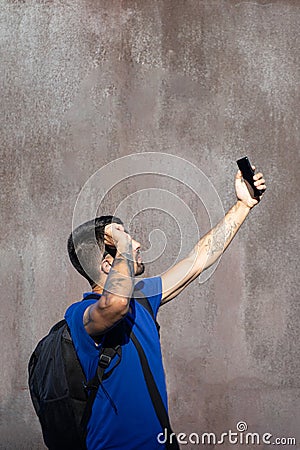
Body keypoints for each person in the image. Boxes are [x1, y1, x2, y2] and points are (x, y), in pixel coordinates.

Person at [66, 167, 266, 450]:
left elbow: (199, 259)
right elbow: (116, 305)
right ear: (109, 265)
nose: (136, 243)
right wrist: (121, 242)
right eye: (126, 238)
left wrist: (243, 205)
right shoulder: (80, 315)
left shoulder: (143, 298)